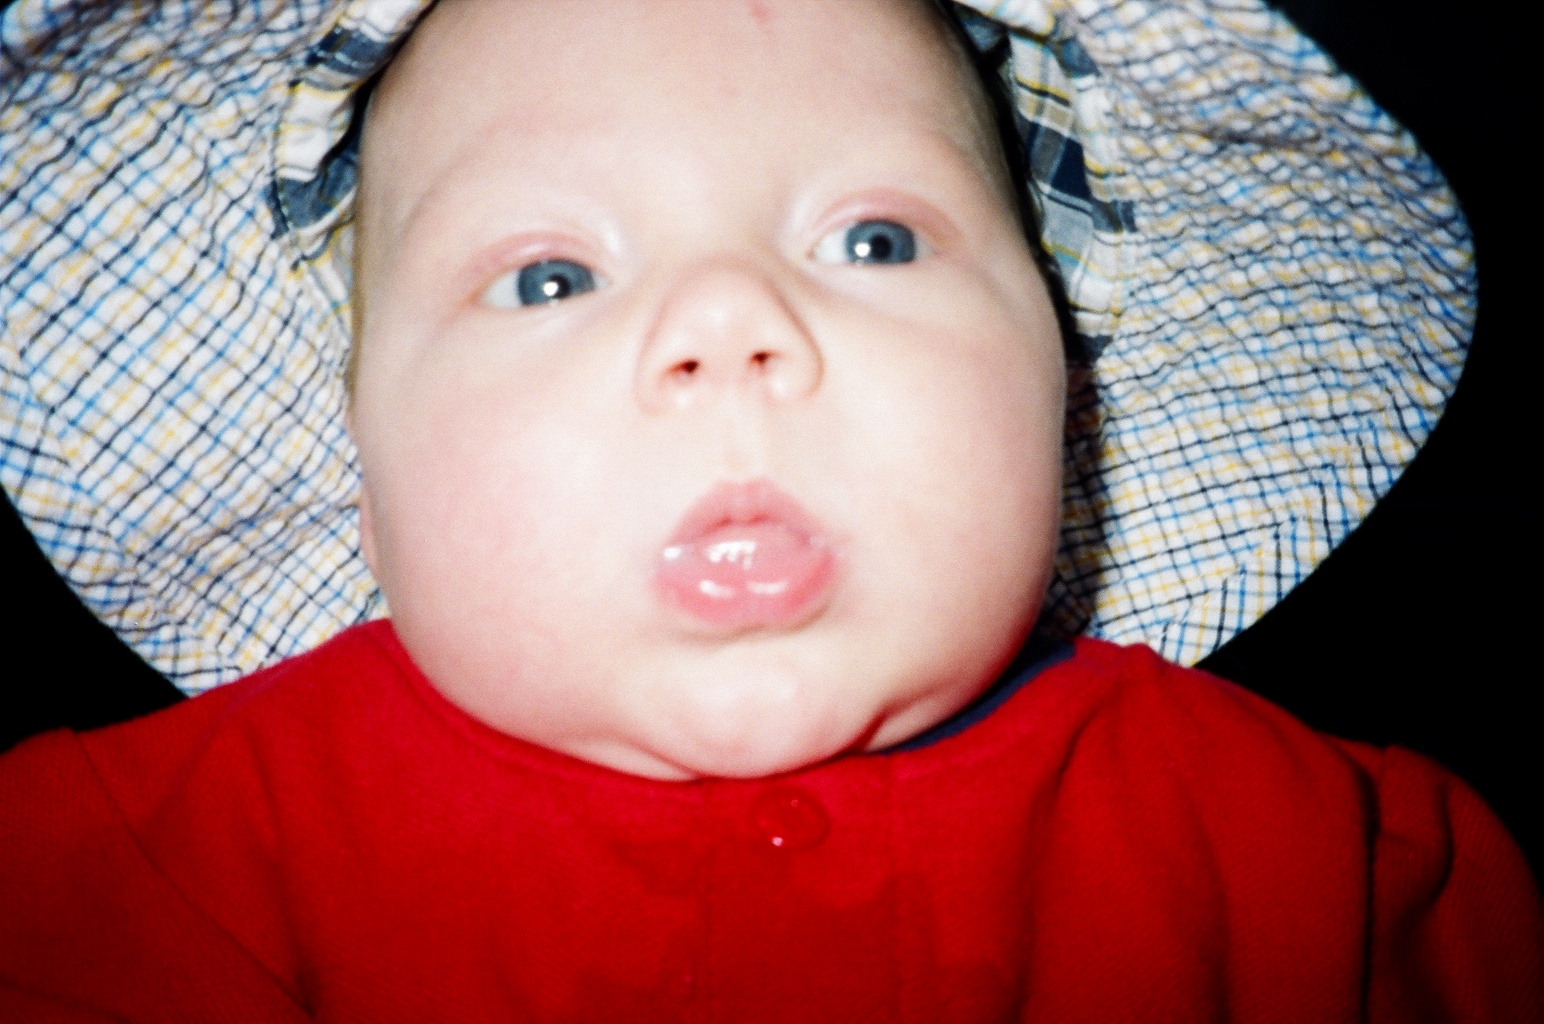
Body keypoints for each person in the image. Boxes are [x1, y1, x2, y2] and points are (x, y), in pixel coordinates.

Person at [2, 0, 1537, 1020]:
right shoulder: (117, 887)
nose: (730, 325)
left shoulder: (1332, 872)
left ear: (1064, 371)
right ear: (361, 442)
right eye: (549, 277)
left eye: (876, 241)